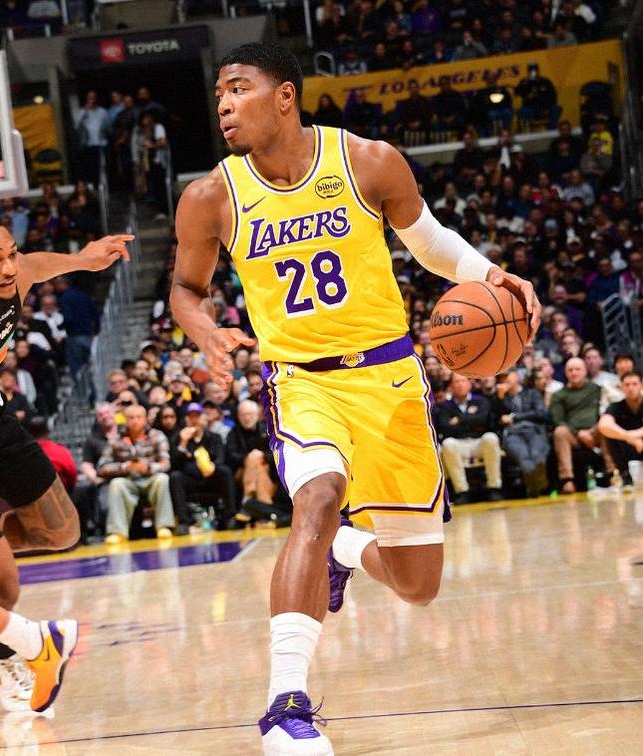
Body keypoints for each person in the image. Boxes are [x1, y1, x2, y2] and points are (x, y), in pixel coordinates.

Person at [170, 42, 540, 755]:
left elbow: (428, 242)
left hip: (390, 380)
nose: (223, 105)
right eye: (219, 94)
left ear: (285, 96)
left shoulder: (367, 161)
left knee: (418, 585)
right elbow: (187, 289)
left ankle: (345, 547)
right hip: (301, 379)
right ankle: (285, 705)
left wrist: (488, 273)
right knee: (316, 498)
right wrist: (205, 329)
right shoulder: (210, 196)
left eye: (238, 88)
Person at [0, 208, 132, 713]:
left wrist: (84, 260)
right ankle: (18, 648)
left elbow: (35, 264)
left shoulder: (13, 279)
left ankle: (15, 626)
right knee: (2, 586)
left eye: (9, 254)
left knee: (60, 531)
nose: (9, 267)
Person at [98, 404, 175, 544]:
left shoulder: (157, 435)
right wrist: (124, 467)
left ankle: (164, 526)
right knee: (116, 484)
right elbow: (102, 467)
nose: (135, 421)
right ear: (125, 420)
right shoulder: (116, 439)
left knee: (162, 479)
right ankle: (118, 532)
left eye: (139, 417)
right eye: (131, 418)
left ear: (145, 420)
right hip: (129, 480)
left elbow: (166, 463)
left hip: (151, 478)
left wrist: (148, 467)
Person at [433, 372, 504, 504]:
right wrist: (472, 420)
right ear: (451, 387)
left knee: (491, 438)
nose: (460, 384)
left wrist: (460, 419)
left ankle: (494, 487)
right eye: (457, 382)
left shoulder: (481, 400)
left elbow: (484, 421)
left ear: (470, 383)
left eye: (463, 381)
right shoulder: (445, 406)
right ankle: (462, 491)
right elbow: (445, 428)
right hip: (459, 444)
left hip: (478, 443)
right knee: (448, 444)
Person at [169, 402, 235, 533]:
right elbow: (175, 464)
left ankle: (230, 516)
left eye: (197, 416)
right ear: (186, 419)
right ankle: (183, 522)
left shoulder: (214, 438)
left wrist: (210, 467)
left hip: (210, 478)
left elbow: (220, 459)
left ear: (204, 418)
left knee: (225, 471)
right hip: (191, 480)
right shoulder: (178, 439)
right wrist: (183, 443)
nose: (194, 420)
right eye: (191, 416)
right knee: (175, 477)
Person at [493, 369, 549, 497]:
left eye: (508, 376)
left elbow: (541, 414)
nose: (505, 380)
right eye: (502, 378)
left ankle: (534, 483)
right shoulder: (500, 398)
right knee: (523, 457)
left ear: (517, 376)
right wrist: (500, 398)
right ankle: (537, 484)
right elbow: (496, 420)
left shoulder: (532, 393)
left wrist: (514, 417)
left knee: (537, 455)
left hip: (534, 430)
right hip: (513, 433)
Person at [550, 357, 602, 493]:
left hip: (596, 432)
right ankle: (567, 480)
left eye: (578, 369)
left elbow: (606, 410)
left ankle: (613, 473)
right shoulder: (559, 395)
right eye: (570, 370)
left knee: (606, 425)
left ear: (585, 371)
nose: (574, 373)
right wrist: (578, 433)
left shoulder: (597, 389)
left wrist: (593, 431)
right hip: (574, 437)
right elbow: (557, 420)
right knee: (559, 431)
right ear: (566, 373)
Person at [597, 371, 642, 488]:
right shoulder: (616, 406)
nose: (631, 388)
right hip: (628, 449)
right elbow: (603, 425)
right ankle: (625, 476)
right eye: (627, 385)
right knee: (609, 435)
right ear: (621, 387)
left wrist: (636, 435)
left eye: (634, 384)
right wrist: (630, 438)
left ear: (641, 386)